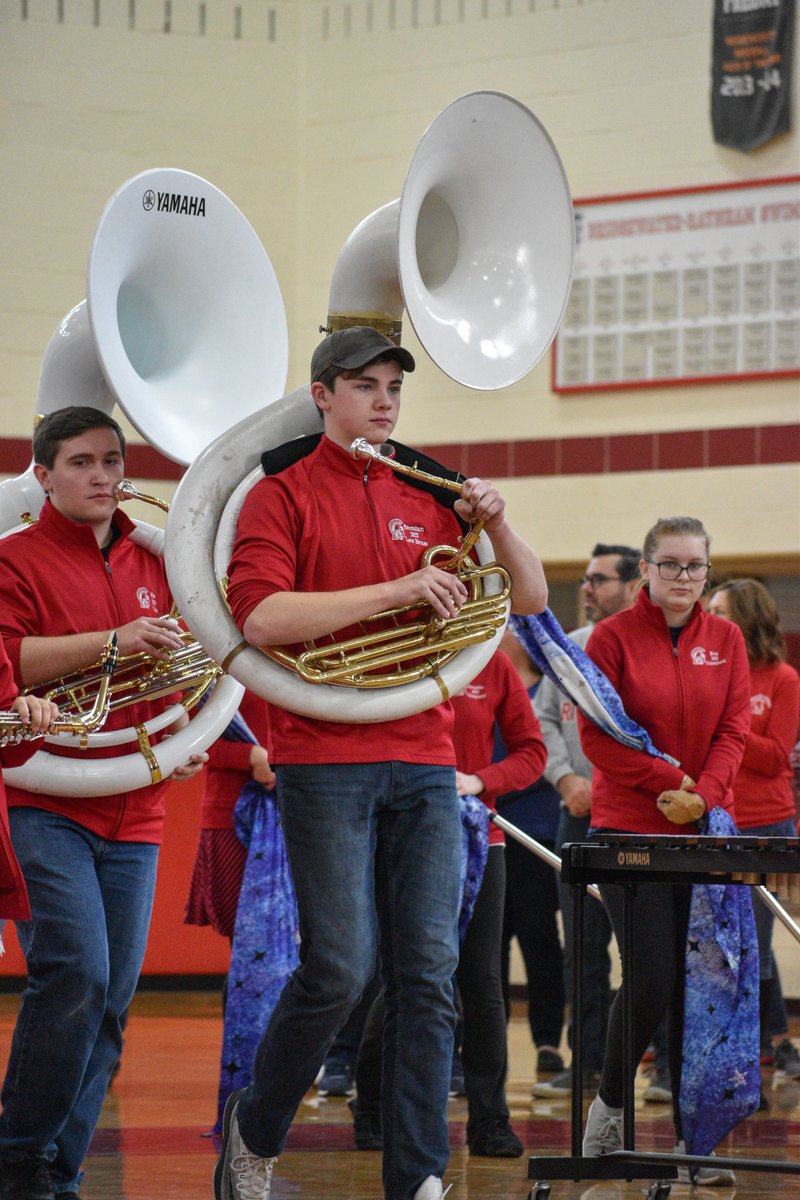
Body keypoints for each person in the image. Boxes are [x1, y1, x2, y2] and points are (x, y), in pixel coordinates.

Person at [217, 325, 549, 1200]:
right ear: (324, 394)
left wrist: (499, 527)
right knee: (339, 968)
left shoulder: (427, 489)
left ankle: (420, 1179)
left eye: (394, 386)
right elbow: (262, 620)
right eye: (365, 386)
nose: (386, 400)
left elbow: (532, 598)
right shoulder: (278, 495)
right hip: (324, 758)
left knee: (429, 975)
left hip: (426, 758)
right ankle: (255, 1132)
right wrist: (401, 590)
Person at [0, 406, 207, 1200]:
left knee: (113, 999)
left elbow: (191, 662)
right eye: (81, 463)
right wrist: (117, 639)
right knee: (76, 972)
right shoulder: (13, 559)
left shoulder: (161, 559)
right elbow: (8, 656)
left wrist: (179, 729)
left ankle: (60, 1169)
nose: (101, 476)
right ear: (44, 477)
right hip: (44, 799)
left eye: (112, 460)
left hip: (137, 802)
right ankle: (19, 1156)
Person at [578, 516, 750, 1186]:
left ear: (708, 572)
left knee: (702, 988)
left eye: (695, 566)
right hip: (629, 834)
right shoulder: (611, 638)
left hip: (702, 831)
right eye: (670, 564)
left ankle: (696, 1141)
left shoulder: (727, 638)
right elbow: (599, 738)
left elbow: (734, 729)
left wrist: (704, 795)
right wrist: (666, 784)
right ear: (646, 569)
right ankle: (611, 1107)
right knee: (650, 977)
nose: (684, 578)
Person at [531, 543, 639, 1100]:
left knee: (645, 947)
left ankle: (658, 1064)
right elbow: (543, 717)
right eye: (587, 579)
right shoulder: (567, 648)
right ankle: (588, 1063)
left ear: (633, 583)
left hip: (637, 820)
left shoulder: (647, 648)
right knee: (582, 948)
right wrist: (564, 778)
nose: (588, 588)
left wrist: (615, 784)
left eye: (599, 579)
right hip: (575, 819)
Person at [707, 579, 800, 1094]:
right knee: (731, 948)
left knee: (754, 948)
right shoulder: (715, 673)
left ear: (745, 618)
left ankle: (755, 1060)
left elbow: (775, 757)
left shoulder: (782, 678)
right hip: (722, 820)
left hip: (768, 825)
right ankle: (761, 1049)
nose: (711, 619)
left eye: (720, 611)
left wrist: (729, 733)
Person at [496, 630, 565, 1078]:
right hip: (489, 830)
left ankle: (547, 1042)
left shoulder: (548, 689)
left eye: (507, 627)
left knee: (540, 939)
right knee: (489, 943)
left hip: (537, 834)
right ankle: (488, 1039)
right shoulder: (479, 678)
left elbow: (542, 758)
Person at [185, 688, 273, 945]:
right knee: (246, 937)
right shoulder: (215, 668)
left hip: (294, 807)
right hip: (231, 816)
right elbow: (192, 739)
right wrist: (251, 757)